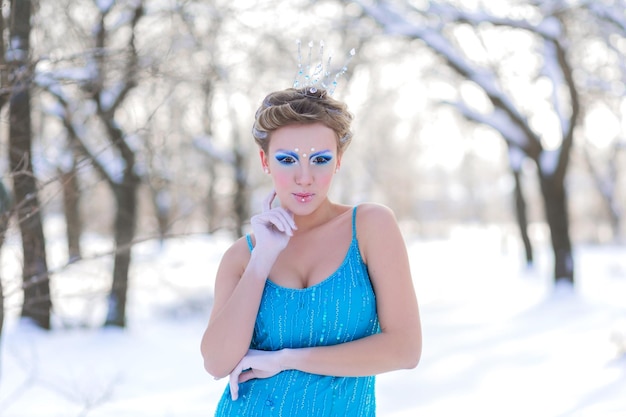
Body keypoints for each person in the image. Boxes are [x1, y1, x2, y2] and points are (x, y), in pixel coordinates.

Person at [200, 86, 422, 416]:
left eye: (320, 159)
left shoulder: (370, 227)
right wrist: (262, 259)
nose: (304, 178)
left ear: (339, 161)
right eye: (287, 159)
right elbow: (217, 362)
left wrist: (287, 359)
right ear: (265, 161)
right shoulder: (242, 256)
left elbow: (405, 349)